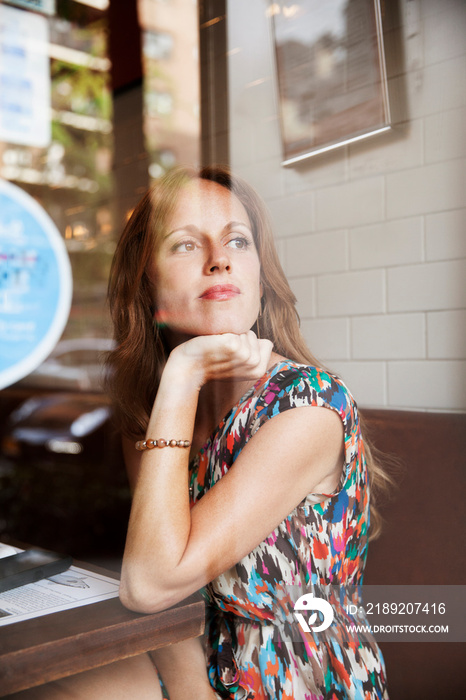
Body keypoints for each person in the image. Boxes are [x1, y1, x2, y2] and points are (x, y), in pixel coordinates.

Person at [103, 165, 390, 700]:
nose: (219, 258)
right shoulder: (155, 412)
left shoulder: (308, 406)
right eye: (186, 245)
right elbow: (158, 581)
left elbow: (149, 585)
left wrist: (184, 371)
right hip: (194, 663)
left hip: (301, 679)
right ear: (147, 283)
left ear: (260, 273)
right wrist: (180, 381)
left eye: (238, 239)